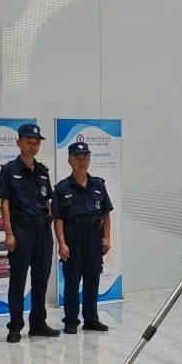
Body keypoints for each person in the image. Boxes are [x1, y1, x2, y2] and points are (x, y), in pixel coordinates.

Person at [0, 123, 59, 343]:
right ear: (19, 143)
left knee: (41, 280)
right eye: (28, 142)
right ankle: (15, 326)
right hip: (21, 231)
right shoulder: (9, 170)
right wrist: (9, 233)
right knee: (18, 281)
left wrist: (50, 224)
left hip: (42, 231)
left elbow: (47, 201)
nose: (33, 146)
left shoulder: (42, 171)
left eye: (36, 142)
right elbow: (4, 203)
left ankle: (38, 324)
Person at [54, 142, 114, 335]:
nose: (82, 161)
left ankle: (91, 319)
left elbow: (106, 213)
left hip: (94, 237)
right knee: (72, 281)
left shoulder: (98, 185)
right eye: (77, 157)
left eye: (85, 157)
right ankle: (71, 320)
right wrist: (62, 244)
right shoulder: (62, 188)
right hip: (73, 237)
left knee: (92, 279)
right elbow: (58, 218)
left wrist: (107, 238)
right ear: (70, 160)